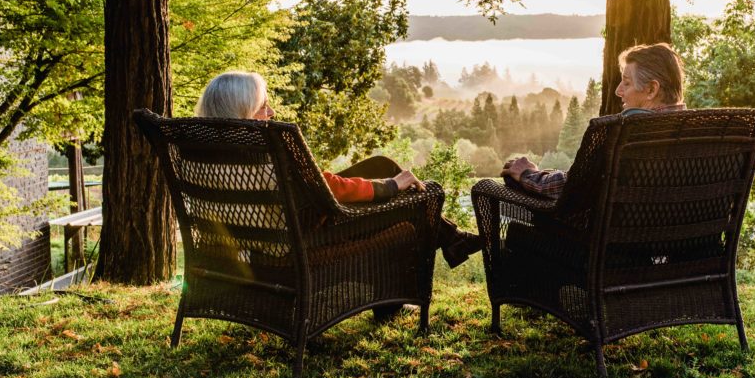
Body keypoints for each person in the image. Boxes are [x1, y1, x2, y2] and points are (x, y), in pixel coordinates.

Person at [195, 71, 482, 268]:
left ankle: (453, 240)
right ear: (241, 112)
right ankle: (449, 242)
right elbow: (329, 188)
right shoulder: (268, 152)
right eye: (262, 107)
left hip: (254, 242)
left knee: (381, 164)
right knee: (413, 203)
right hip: (297, 242)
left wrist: (386, 179)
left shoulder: (199, 154)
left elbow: (316, 185)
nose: (271, 114)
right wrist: (390, 186)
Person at [501, 43, 687, 199]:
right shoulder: (705, 129)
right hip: (690, 241)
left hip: (611, 242)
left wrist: (528, 174)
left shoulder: (625, 135)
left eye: (627, 83)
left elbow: (571, 187)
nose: (618, 91)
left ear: (651, 90)